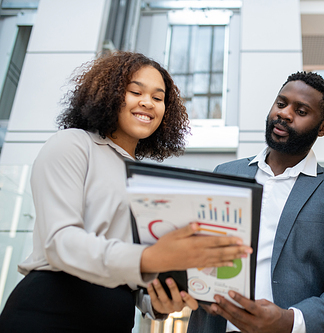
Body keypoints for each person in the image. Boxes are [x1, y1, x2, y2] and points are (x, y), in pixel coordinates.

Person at [0, 51, 252, 332]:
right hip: (52, 310)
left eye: (158, 98)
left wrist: (158, 302)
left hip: (116, 320)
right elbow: (60, 242)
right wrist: (151, 259)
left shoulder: (149, 181)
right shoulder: (73, 144)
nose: (148, 103)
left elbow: (134, 280)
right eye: (135, 91)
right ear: (109, 93)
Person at [186, 71, 324, 333]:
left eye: (301, 111)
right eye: (281, 104)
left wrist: (289, 321)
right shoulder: (225, 173)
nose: (285, 114)